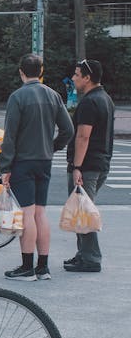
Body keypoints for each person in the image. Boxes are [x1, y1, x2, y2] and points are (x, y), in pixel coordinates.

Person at [0, 53, 74, 282]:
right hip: (44, 161)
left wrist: (5, 167)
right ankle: (43, 267)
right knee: (40, 213)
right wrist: (52, 147)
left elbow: (10, 136)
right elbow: (68, 130)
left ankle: (26, 267)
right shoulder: (53, 95)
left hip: (23, 161)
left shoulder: (17, 97)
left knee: (27, 213)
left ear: (21, 72)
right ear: (41, 71)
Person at [64, 58, 114, 273]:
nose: (73, 78)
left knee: (83, 211)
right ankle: (83, 254)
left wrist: (77, 166)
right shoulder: (105, 99)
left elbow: (83, 136)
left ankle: (91, 258)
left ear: (87, 78)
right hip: (100, 163)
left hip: (87, 166)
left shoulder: (89, 102)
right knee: (81, 209)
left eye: (77, 74)